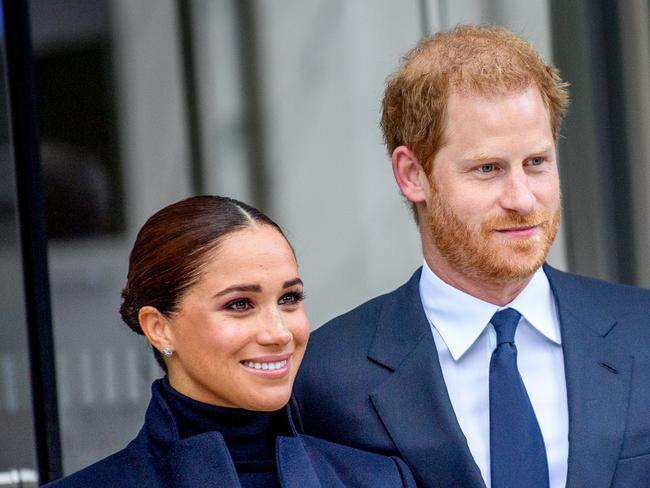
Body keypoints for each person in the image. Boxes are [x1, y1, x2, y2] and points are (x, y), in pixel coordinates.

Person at [294, 24, 650, 488]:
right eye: (488, 168)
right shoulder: (326, 376)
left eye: (536, 162)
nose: (522, 199)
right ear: (412, 174)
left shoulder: (643, 331)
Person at [45, 195, 416, 487]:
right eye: (240, 304)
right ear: (159, 328)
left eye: (289, 299)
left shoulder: (379, 480)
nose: (278, 333)